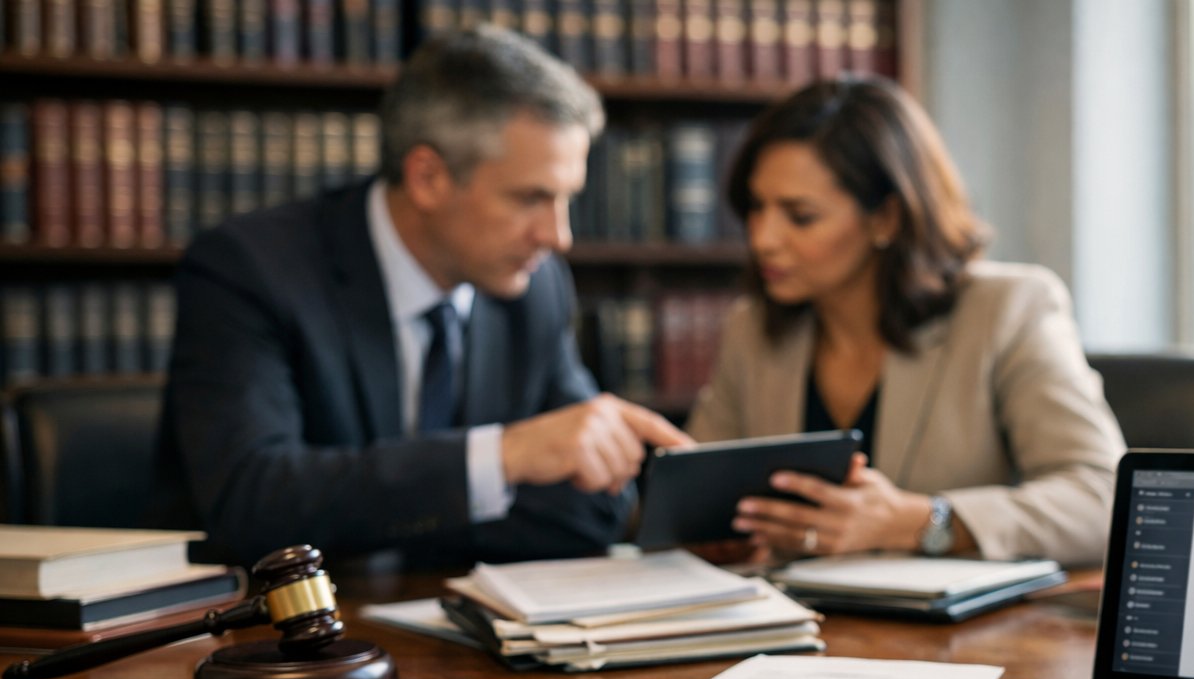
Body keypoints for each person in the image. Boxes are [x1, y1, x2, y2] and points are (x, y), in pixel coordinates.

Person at [151, 28, 688, 567]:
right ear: (428, 178)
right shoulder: (250, 268)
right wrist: (500, 460)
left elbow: (594, 505)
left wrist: (408, 507)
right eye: (531, 198)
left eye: (567, 199)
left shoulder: (536, 286)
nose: (558, 236)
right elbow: (251, 500)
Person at [686, 77, 1125, 565]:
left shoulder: (1007, 309)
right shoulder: (751, 330)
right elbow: (692, 503)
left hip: (963, 615)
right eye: (755, 207)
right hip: (790, 611)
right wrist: (714, 533)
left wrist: (922, 522)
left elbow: (1103, 500)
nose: (763, 239)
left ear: (887, 218)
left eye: (801, 216)